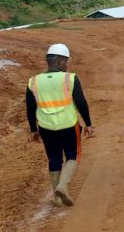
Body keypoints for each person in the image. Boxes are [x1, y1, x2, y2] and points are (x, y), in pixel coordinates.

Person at [27, 43, 94, 207]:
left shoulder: (33, 82)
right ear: (60, 60)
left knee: (54, 158)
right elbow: (81, 103)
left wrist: (33, 130)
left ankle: (56, 199)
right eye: (66, 60)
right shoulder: (70, 78)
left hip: (46, 128)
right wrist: (88, 124)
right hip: (69, 125)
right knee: (73, 155)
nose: (68, 64)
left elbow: (30, 108)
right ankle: (62, 186)